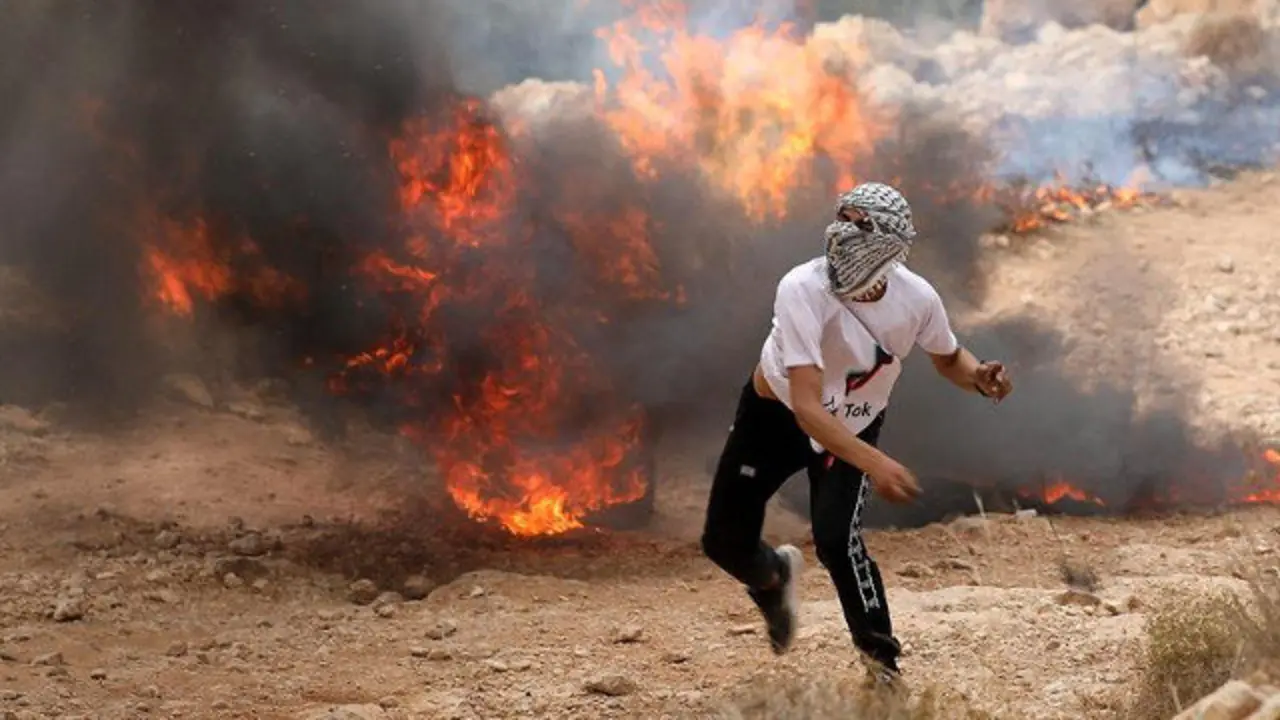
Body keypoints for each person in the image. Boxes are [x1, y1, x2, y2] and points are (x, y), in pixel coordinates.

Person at [700, 181, 1013, 684]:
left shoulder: (917, 299)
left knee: (837, 541)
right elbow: (805, 407)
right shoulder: (802, 288)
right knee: (723, 541)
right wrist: (877, 463)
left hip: (854, 423)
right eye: (841, 219)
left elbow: (949, 357)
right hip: (776, 414)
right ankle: (773, 578)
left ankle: (883, 671)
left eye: (859, 224)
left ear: (890, 243)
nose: (843, 233)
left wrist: (978, 378)